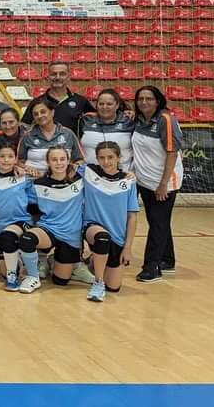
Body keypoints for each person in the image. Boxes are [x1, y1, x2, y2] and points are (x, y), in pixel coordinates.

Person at [131, 85, 184, 283]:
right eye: (140, 99)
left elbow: (172, 152)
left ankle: (151, 267)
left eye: (149, 98)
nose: (144, 102)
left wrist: (163, 184)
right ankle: (167, 259)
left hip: (164, 183)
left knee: (158, 223)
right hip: (144, 180)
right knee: (157, 221)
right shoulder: (138, 120)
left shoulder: (166, 120)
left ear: (158, 100)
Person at [19, 146, 86, 294]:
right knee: (27, 238)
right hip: (49, 229)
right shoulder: (38, 183)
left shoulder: (80, 179)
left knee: (60, 281)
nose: (59, 163)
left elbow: (105, 169)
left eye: (62, 159)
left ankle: (52, 261)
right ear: (48, 162)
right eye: (54, 159)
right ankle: (33, 277)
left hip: (70, 236)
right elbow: (31, 209)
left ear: (69, 161)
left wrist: (129, 174)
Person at [81, 141, 139, 301]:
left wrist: (127, 247)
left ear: (119, 158)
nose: (106, 162)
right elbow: (62, 167)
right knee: (102, 237)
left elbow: (132, 216)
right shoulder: (88, 172)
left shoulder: (128, 181)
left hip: (117, 238)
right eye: (102, 158)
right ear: (97, 159)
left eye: (110, 157)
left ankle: (94, 262)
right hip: (93, 229)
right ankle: (98, 283)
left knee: (114, 287)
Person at [0, 143, 34, 291]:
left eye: (10, 156)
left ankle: (15, 273)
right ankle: (15, 266)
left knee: (8, 237)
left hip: (20, 222)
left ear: (16, 159)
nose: (6, 160)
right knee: (3, 272)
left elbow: (35, 202)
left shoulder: (24, 178)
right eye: (2, 156)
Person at [20, 62, 94, 136]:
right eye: (53, 74)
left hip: (71, 146)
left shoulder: (81, 101)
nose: (57, 77)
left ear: (68, 77)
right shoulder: (36, 102)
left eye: (62, 74)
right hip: (45, 146)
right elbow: (25, 128)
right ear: (48, 77)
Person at [18, 99, 84, 173]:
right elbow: (19, 162)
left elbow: (79, 160)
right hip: (33, 180)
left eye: (43, 112)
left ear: (52, 112)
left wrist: (72, 171)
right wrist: (27, 168)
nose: (39, 116)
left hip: (63, 180)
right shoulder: (27, 136)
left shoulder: (68, 134)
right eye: (36, 114)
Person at [80, 89, 135, 171]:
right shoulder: (85, 120)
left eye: (109, 104)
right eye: (101, 104)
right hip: (90, 176)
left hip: (123, 177)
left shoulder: (129, 121)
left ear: (117, 105)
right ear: (96, 105)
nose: (104, 107)